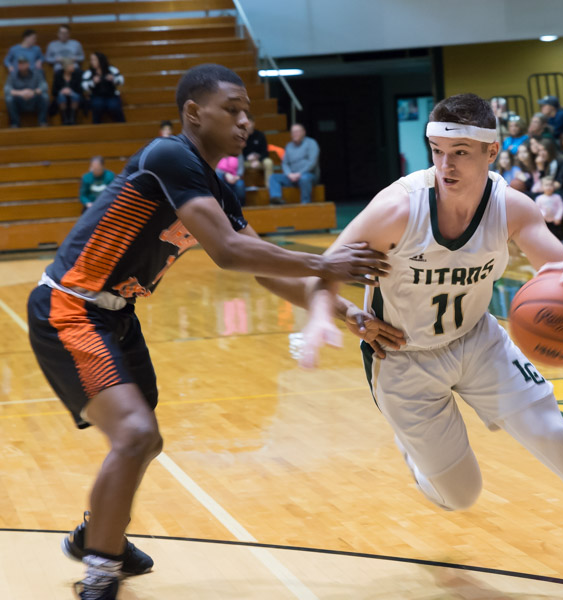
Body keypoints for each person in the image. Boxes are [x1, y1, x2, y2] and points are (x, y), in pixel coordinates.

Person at [300, 93, 563, 600]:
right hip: (402, 357)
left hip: (478, 339)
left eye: (462, 152)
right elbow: (322, 272)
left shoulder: (510, 207)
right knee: (460, 495)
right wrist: (336, 314)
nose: (446, 164)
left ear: (491, 153)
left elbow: (555, 268)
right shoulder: (396, 208)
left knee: (555, 436)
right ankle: (417, 456)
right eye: (437, 150)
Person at [27, 64, 396, 600]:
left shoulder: (215, 189)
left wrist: (347, 315)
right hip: (71, 307)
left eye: (248, 111)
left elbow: (264, 268)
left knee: (140, 440)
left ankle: (96, 533)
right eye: (233, 109)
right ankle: (101, 570)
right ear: (194, 113)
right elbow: (227, 252)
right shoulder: (169, 155)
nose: (246, 121)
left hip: (116, 315)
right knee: (136, 436)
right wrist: (324, 263)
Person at [268, 123, 319, 204]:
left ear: (304, 132)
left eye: (297, 131)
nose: (295, 134)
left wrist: (299, 173)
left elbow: (312, 162)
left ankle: (305, 204)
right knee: (273, 177)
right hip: (291, 177)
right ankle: (276, 200)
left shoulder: (311, 143)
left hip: (308, 175)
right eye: (293, 132)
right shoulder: (288, 146)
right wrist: (289, 174)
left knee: (304, 178)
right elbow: (285, 163)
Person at [4, 55, 48, 127]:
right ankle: (15, 123)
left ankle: (42, 121)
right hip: (19, 100)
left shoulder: (37, 73)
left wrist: (33, 92)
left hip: (34, 99)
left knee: (45, 96)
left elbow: (44, 86)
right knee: (9, 99)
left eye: (23, 63)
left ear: (28, 64)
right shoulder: (12, 75)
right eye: (19, 64)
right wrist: (21, 93)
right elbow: (7, 89)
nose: (21, 65)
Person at [82, 52, 125, 124]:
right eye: (91, 60)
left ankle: (122, 125)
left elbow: (121, 81)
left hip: (111, 95)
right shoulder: (89, 72)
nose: (92, 62)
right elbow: (84, 86)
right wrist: (93, 82)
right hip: (96, 95)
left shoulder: (111, 69)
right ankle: (96, 126)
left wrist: (113, 79)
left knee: (114, 106)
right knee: (97, 105)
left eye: (94, 60)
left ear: (100, 60)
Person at [243, 112, 273, 186]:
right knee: (237, 164)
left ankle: (269, 187)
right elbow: (238, 154)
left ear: (253, 123)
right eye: (245, 124)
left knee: (269, 162)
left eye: (249, 123)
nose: (247, 126)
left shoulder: (260, 135)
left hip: (260, 161)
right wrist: (247, 159)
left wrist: (258, 160)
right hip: (246, 162)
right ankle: (244, 187)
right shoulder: (241, 136)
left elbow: (265, 152)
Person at [534, 176, 563, 243]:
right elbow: (537, 208)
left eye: (551, 185)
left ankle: (561, 244)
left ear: (554, 187)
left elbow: (561, 207)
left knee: (557, 234)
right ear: (542, 187)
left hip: (555, 221)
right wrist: (543, 215)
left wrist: (558, 217)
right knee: (546, 234)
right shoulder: (539, 198)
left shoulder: (557, 197)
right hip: (544, 221)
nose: (549, 187)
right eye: (546, 185)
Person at [53, 57, 83, 125]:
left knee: (75, 96)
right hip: (61, 96)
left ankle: (72, 118)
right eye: (71, 65)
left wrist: (70, 91)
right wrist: (62, 91)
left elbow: (80, 90)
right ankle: (65, 119)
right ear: (65, 67)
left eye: (73, 65)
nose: (73, 67)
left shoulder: (77, 74)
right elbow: (54, 91)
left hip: (74, 94)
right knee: (61, 96)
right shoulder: (58, 75)